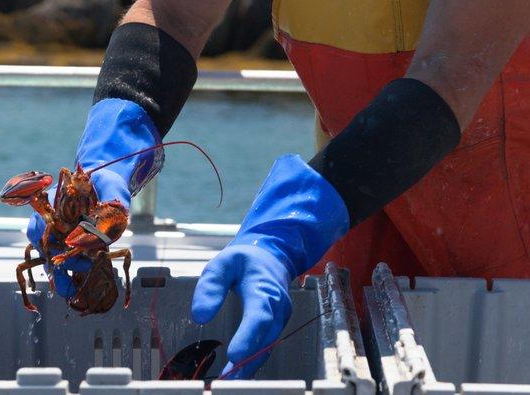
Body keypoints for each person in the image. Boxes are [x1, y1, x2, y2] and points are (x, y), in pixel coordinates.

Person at [27, 0, 530, 380]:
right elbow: (175, 11)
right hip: (362, 185)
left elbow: (454, 69)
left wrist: (284, 228)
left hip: (512, 212)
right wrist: (117, 129)